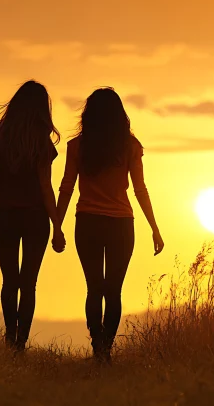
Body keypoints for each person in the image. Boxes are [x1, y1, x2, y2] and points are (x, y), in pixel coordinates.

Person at [56, 87, 164, 363]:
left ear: (88, 114)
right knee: (113, 290)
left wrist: (56, 225)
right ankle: (106, 349)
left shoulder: (77, 146)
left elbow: (67, 187)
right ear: (120, 116)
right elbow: (140, 189)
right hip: (121, 224)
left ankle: (97, 345)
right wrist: (154, 227)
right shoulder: (129, 146)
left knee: (94, 287)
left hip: (88, 222)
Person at [0, 80, 65, 352]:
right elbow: (46, 187)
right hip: (35, 219)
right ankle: (20, 343)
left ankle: (10, 340)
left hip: (4, 217)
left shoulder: (1, 138)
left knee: (10, 281)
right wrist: (57, 226)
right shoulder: (42, 143)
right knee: (28, 283)